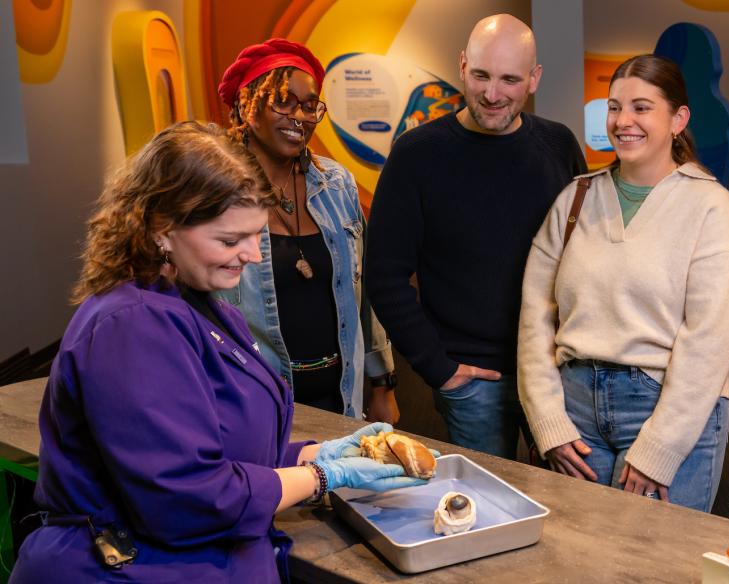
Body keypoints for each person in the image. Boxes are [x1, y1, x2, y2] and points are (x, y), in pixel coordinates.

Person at [11, 122, 428, 583]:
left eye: (256, 234)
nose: (253, 255)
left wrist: (315, 454)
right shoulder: (131, 326)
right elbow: (185, 498)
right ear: (162, 229)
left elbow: (222, 451)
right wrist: (323, 477)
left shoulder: (199, 303)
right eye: (230, 240)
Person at [518, 54, 729, 512]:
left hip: (667, 408)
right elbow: (535, 318)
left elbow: (709, 340)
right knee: (576, 549)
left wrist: (660, 448)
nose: (623, 121)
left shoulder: (709, 205)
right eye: (614, 107)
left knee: (655, 553)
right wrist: (548, 423)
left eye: (641, 107)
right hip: (575, 410)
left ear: (678, 119)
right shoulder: (576, 197)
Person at [366, 14, 586, 458]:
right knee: (487, 496)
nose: (492, 93)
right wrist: (438, 367)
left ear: (534, 78)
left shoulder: (559, 146)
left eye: (510, 79)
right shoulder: (416, 155)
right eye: (481, 75)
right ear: (463, 65)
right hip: (472, 379)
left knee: (568, 494)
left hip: (555, 369)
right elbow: (383, 276)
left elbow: (586, 255)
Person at [215, 38, 397, 421]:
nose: (300, 116)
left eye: (310, 105)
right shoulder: (218, 195)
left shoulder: (337, 185)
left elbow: (365, 291)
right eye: (284, 101)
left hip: (341, 400)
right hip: (256, 405)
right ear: (247, 107)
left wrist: (383, 383)